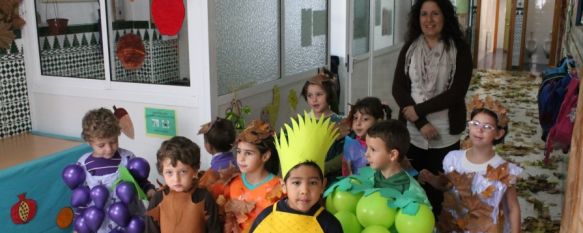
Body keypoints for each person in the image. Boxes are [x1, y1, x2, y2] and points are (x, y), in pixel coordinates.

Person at [392, 0, 473, 217]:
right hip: (412, 131)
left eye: (435, 14)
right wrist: (420, 121)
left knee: (440, 188)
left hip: (445, 131)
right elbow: (398, 88)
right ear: (417, 19)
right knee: (411, 186)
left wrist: (419, 110)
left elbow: (457, 91)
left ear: (445, 17)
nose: (429, 20)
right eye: (424, 14)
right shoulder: (409, 48)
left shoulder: (460, 49)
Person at [419, 96, 522, 233]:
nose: (479, 130)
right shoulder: (453, 159)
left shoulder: (503, 170)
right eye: (475, 124)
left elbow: (513, 207)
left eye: (487, 127)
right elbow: (447, 186)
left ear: (498, 134)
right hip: (454, 227)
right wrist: (432, 179)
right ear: (469, 125)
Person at [250, 112, 343, 233]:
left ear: (323, 185)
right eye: (296, 183)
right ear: (283, 185)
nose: (305, 190)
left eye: (313, 183)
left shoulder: (329, 225)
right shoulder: (266, 218)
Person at [77, 107, 156, 233]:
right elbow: (81, 197)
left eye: (113, 142)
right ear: (89, 142)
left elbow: (140, 181)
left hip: (130, 222)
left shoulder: (127, 158)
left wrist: (149, 189)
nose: (109, 149)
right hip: (101, 225)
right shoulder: (83, 164)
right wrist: (79, 225)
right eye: (101, 145)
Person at [145, 136, 222, 233]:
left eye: (183, 172)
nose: (176, 179)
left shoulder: (205, 198)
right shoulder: (158, 199)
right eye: (169, 172)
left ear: (194, 170)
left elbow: (214, 230)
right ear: (161, 171)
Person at [218, 119, 282, 233]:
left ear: (265, 156)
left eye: (248, 153)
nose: (241, 158)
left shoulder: (279, 187)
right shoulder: (232, 183)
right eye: (238, 151)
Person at [301, 67, 347, 184]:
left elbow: (345, 154)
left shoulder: (339, 122)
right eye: (310, 95)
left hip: (332, 178)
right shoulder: (301, 122)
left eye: (319, 94)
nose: (314, 99)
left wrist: (325, 167)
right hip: (306, 175)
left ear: (329, 95)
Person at [342, 97, 392, 176]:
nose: (358, 123)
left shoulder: (388, 143)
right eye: (355, 118)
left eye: (365, 119)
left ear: (378, 122)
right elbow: (346, 172)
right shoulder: (351, 142)